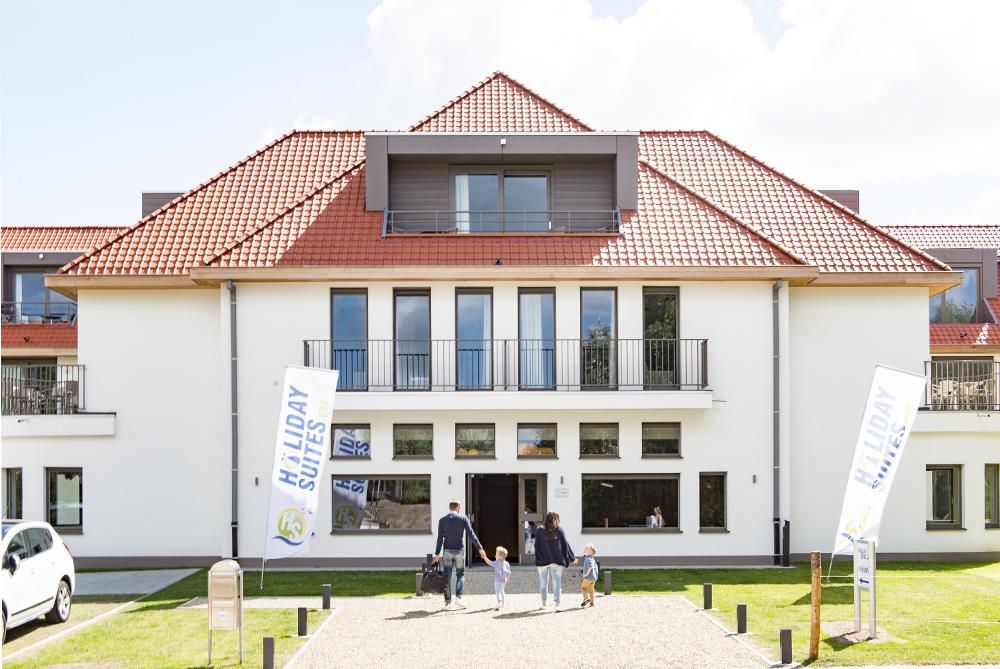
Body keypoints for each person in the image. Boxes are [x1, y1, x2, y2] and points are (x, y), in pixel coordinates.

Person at [432, 500, 488, 610]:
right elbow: (471, 535)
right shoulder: (463, 519)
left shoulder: (442, 520)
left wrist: (437, 553)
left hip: (447, 551)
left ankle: (448, 603)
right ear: (457, 507)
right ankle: (458, 598)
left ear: (450, 508)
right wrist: (480, 548)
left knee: (446, 576)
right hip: (459, 551)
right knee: (460, 575)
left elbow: (440, 538)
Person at [533, 511, 576, 610]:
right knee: (557, 582)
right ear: (556, 519)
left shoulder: (540, 530)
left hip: (542, 562)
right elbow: (565, 545)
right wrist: (569, 558)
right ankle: (557, 604)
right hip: (557, 561)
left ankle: (543, 604)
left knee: (543, 583)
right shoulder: (559, 530)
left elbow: (536, 546)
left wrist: (538, 558)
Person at [483, 545, 512, 610]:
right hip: (504, 580)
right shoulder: (506, 563)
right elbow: (509, 572)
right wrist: (508, 579)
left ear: (500, 556)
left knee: (498, 591)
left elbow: (489, 562)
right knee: (502, 590)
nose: (495, 556)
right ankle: (503, 603)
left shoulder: (497, 562)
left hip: (498, 580)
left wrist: (485, 557)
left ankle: (500, 602)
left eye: (496, 554)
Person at [579, 543, 599, 608]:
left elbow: (589, 568)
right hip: (593, 578)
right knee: (591, 590)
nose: (584, 550)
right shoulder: (592, 559)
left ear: (590, 551)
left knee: (583, 587)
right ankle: (592, 604)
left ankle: (586, 598)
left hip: (588, 577)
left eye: (586, 549)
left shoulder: (587, 559)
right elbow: (595, 568)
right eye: (585, 549)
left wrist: (585, 575)